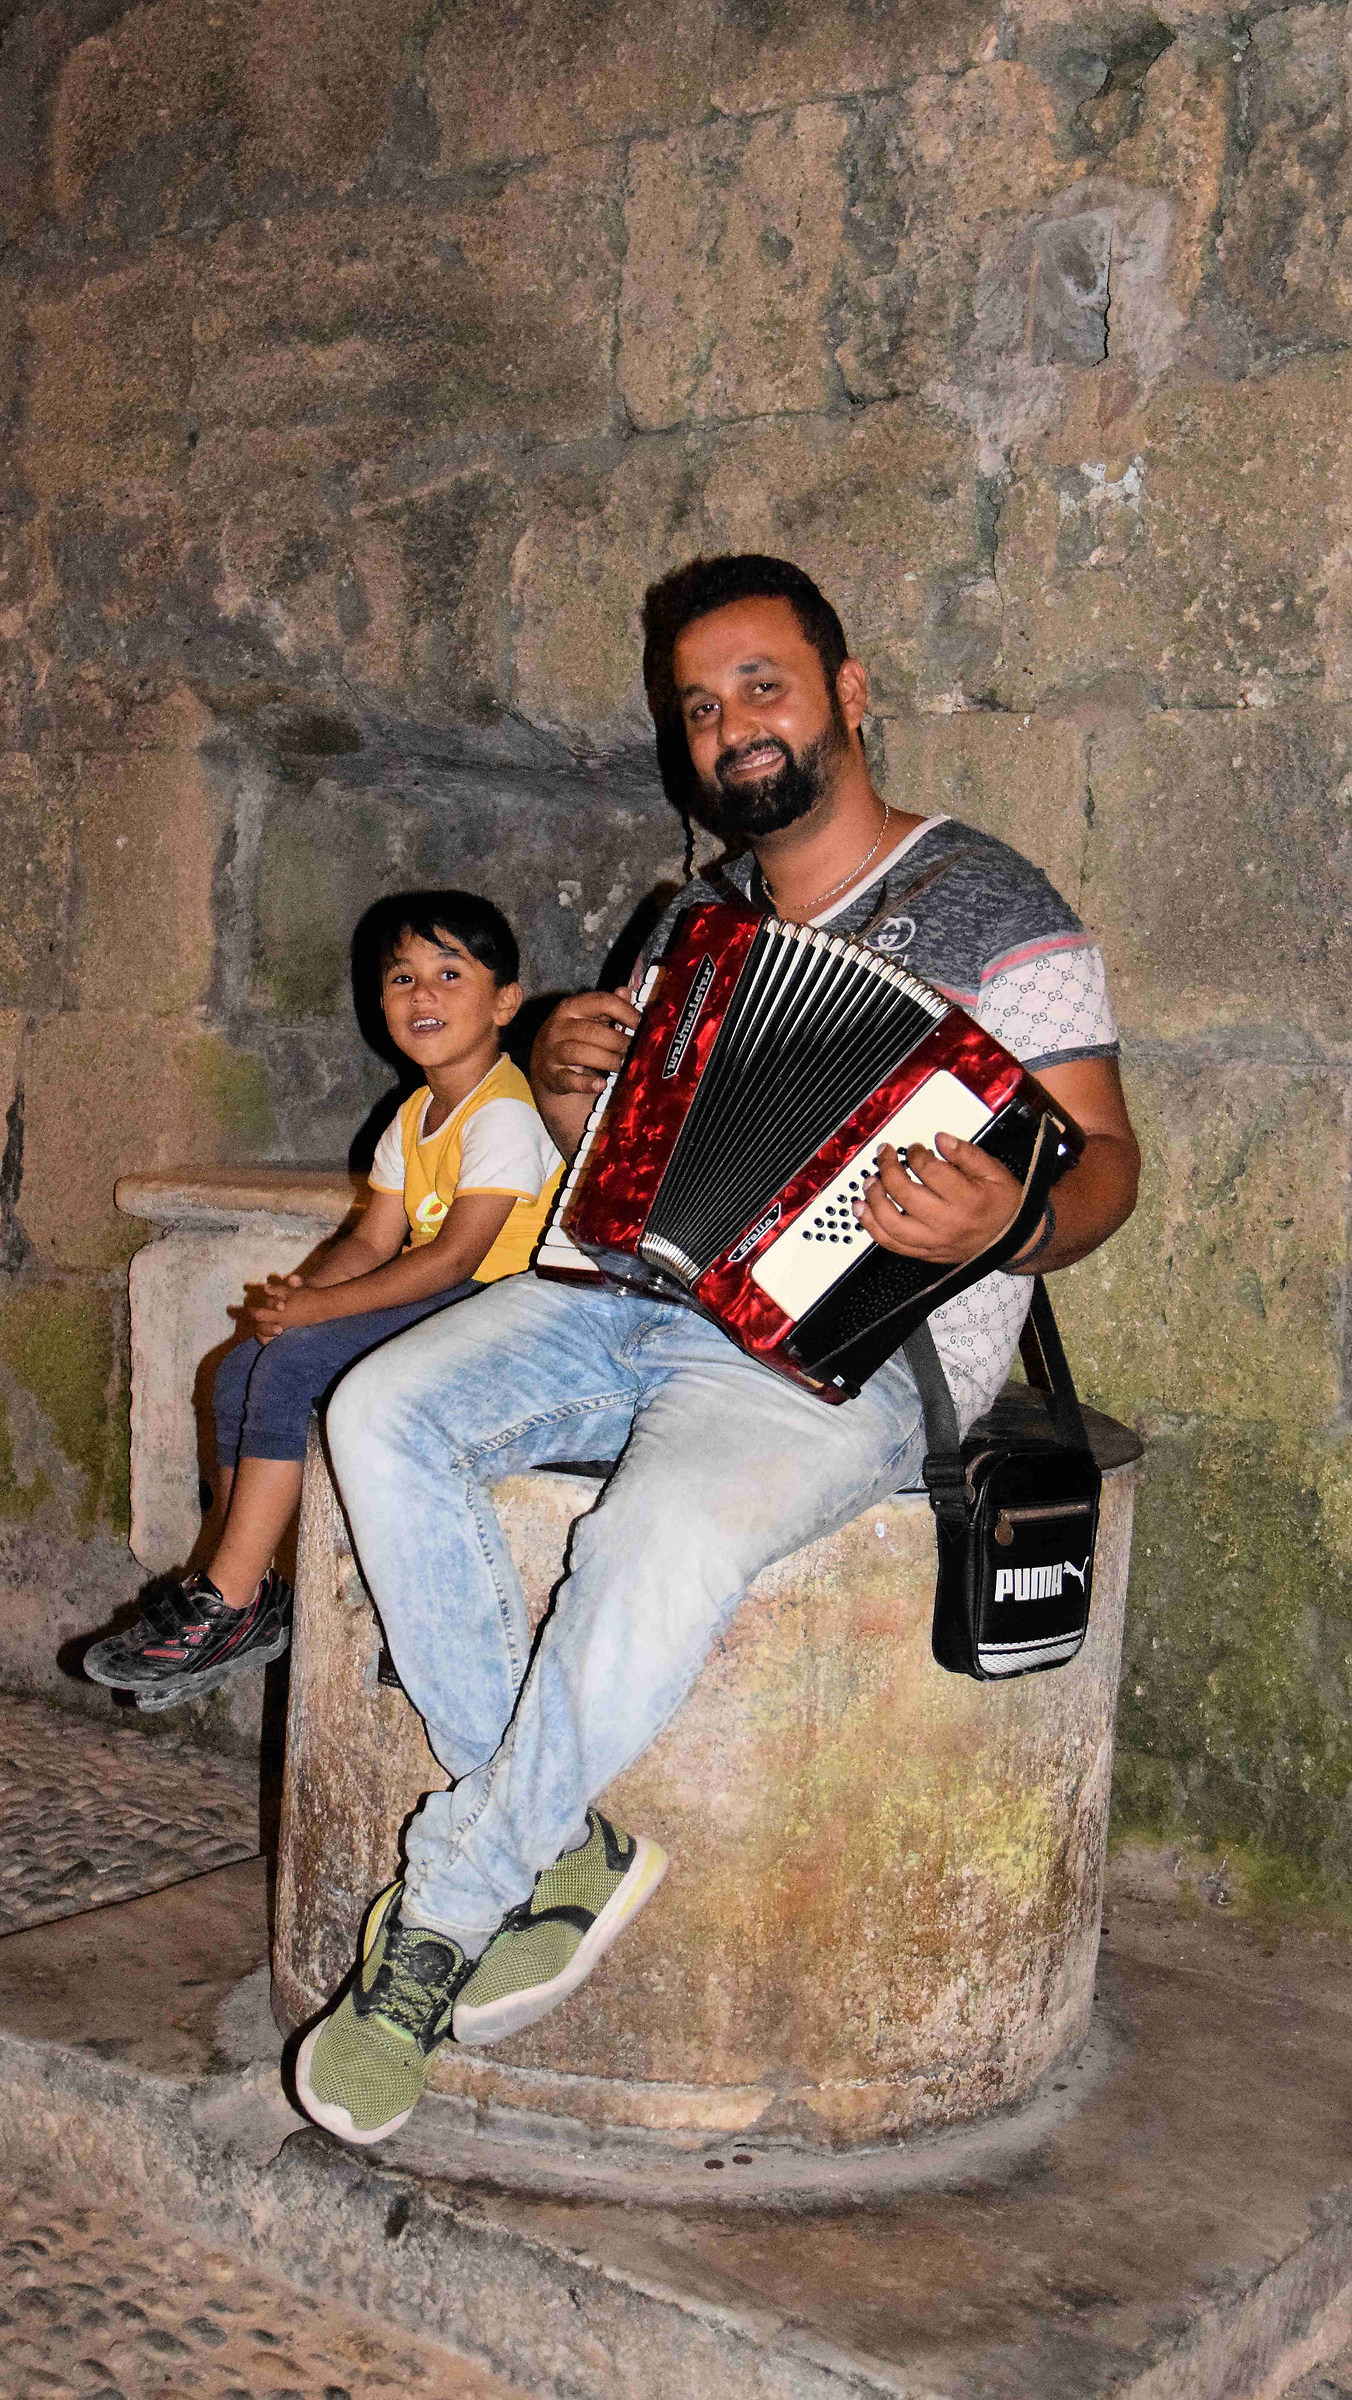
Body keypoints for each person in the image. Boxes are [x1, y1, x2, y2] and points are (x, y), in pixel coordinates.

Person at [294, 553, 1142, 2147]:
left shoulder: (1003, 911)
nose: (733, 725)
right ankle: (560, 1848)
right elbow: (607, 1147)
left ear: (848, 692)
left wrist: (1004, 1228)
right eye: (701, 707)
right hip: (631, 1295)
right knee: (383, 1405)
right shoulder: (693, 919)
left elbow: (1103, 1161)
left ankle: (446, 1911)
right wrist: (556, 1074)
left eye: (763, 684)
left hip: (856, 1359)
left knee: (663, 1533)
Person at [83, 890, 562, 1714]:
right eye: (402, 978)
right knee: (241, 1368)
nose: (424, 995)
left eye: (451, 973)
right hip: (452, 1297)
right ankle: (241, 1583)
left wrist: (314, 1320)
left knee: (297, 1363)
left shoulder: (507, 1111)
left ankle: (226, 1603)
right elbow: (373, 1241)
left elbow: (452, 1259)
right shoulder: (414, 1115)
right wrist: (306, 1293)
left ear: (505, 1001)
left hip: (506, 1306)